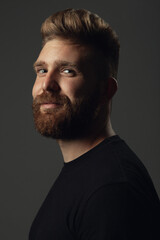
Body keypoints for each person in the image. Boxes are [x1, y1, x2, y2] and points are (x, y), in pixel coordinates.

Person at [29, 8, 160, 240]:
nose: (46, 84)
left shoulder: (113, 190)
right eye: (42, 70)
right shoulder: (87, 172)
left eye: (68, 71)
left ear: (105, 90)